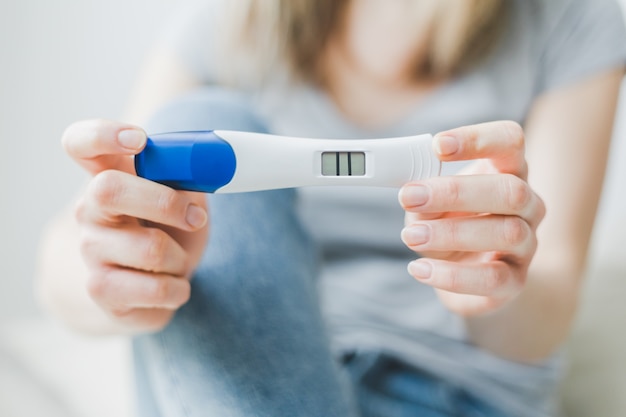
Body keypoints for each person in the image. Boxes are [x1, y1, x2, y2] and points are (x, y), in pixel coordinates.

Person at [36, 0, 626, 416]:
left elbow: (539, 324)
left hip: (449, 394)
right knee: (199, 120)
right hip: (251, 377)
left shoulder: (572, 20)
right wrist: (113, 271)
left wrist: (490, 280)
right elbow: (64, 263)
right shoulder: (226, 26)